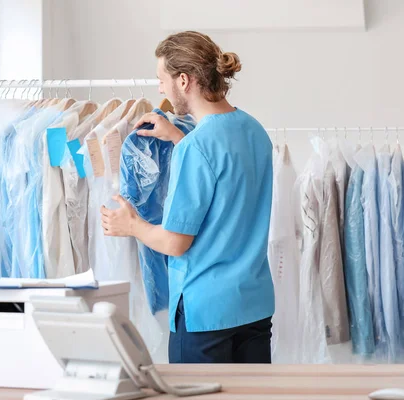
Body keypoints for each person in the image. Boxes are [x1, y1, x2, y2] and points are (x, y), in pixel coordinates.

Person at [100, 31, 275, 364]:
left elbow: (175, 243)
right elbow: (225, 183)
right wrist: (179, 139)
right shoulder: (254, 130)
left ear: (183, 80)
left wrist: (132, 225)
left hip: (205, 315)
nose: (160, 89)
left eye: (161, 80)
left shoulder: (196, 148)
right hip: (253, 307)